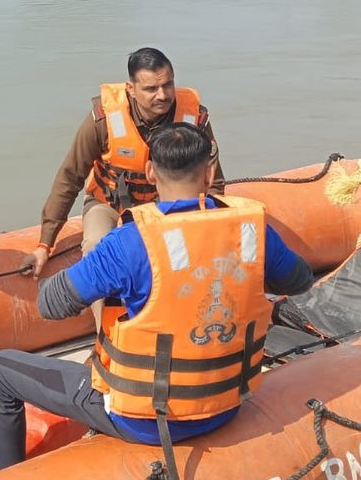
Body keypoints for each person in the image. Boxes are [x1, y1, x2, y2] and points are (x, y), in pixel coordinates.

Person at [0, 122, 313, 471]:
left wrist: (95, 267)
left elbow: (50, 305)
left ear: (150, 172)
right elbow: (300, 280)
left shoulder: (128, 243)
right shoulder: (251, 229)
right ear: (210, 171)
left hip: (146, 419)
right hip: (228, 402)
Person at [20, 47, 224, 331]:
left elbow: (214, 183)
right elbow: (70, 176)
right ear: (131, 89)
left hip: (167, 205)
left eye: (168, 85)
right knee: (96, 245)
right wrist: (45, 243)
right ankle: (108, 334)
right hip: (109, 204)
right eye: (151, 88)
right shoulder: (102, 120)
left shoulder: (195, 118)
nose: (163, 95)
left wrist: (209, 226)